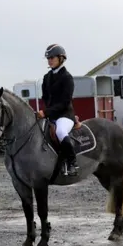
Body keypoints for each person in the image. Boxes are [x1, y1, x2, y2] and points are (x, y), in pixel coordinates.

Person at [38, 44, 78, 176]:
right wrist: (45, 113)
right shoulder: (46, 77)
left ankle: (72, 162)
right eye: (48, 58)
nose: (49, 60)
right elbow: (45, 97)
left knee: (60, 131)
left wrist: (47, 112)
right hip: (50, 115)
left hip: (65, 115)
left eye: (52, 57)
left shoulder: (67, 77)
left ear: (61, 58)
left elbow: (65, 102)